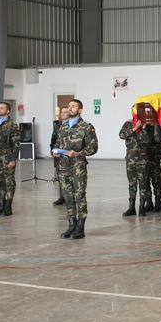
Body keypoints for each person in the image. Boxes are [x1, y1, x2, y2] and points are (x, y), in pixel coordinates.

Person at [55, 99, 98, 239]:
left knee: (79, 195)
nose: (70, 108)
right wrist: (55, 151)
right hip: (63, 165)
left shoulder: (87, 127)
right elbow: (57, 143)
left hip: (78, 165)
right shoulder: (63, 126)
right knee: (67, 196)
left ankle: (80, 227)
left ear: (80, 110)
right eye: (69, 106)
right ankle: (71, 225)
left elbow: (93, 147)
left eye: (73, 106)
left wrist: (79, 153)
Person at [119, 108, 159, 217]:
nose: (136, 113)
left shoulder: (147, 125)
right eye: (134, 111)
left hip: (143, 160)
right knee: (132, 184)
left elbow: (147, 141)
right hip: (130, 159)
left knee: (143, 184)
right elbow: (122, 135)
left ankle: (142, 207)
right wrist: (134, 128)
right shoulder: (127, 124)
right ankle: (131, 207)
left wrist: (144, 128)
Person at [0, 102, 20, 216]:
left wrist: (13, 159)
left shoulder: (12, 125)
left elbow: (16, 143)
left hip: (7, 157)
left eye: (2, 108)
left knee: (9, 181)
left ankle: (8, 206)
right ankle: (1, 205)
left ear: (8, 111)